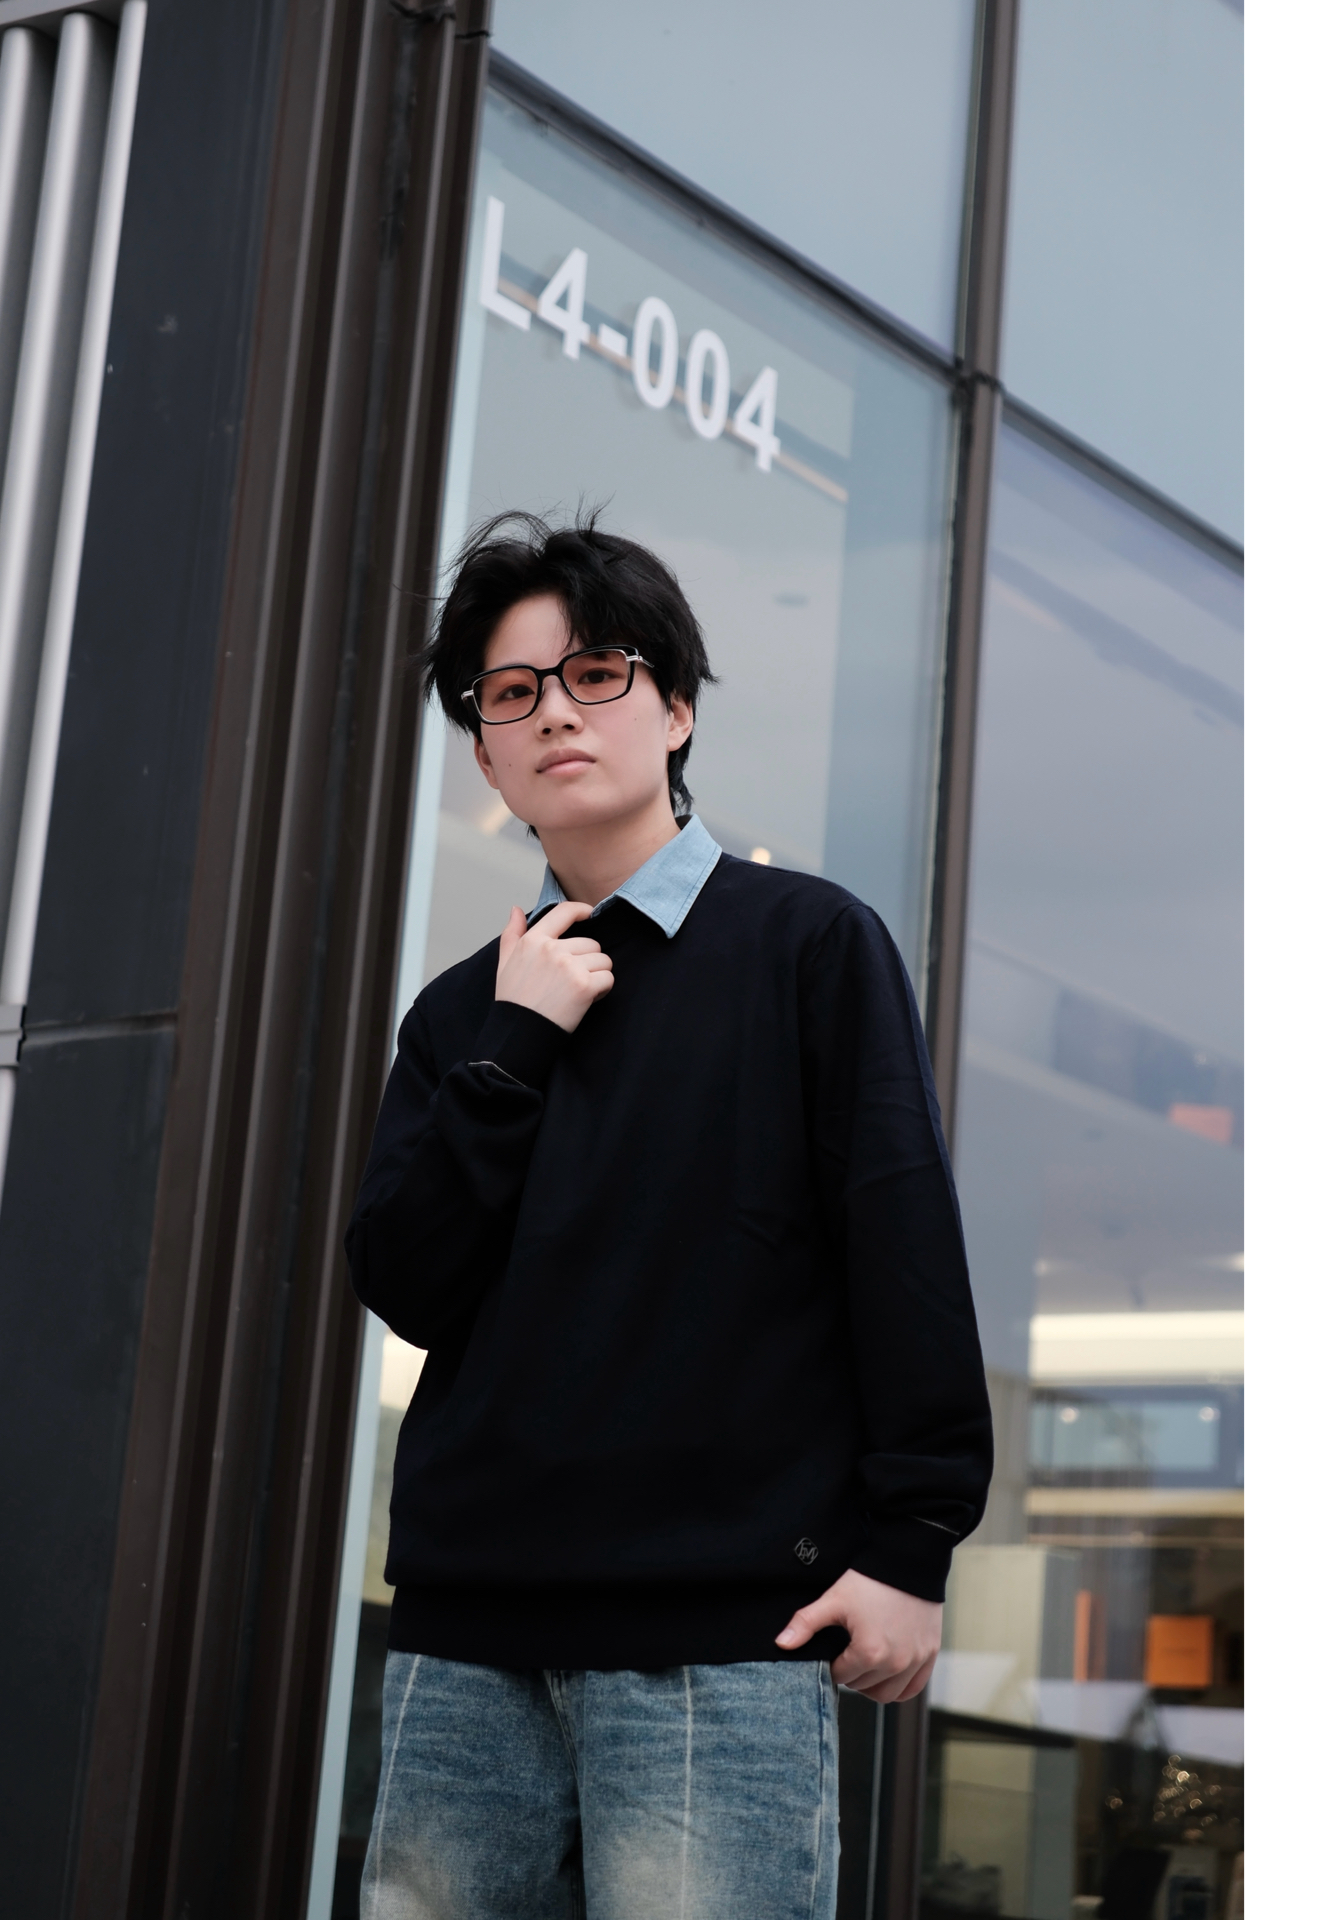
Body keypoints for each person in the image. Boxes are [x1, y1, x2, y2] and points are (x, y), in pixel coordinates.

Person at [345, 511, 993, 1919]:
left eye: (597, 674)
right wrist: (518, 1045)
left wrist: (912, 1542)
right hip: (469, 1635)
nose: (553, 713)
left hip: (721, 1631)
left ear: (677, 709)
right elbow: (405, 1280)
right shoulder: (463, 1013)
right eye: (511, 693)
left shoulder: (807, 945)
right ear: (484, 753)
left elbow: (900, 1247)